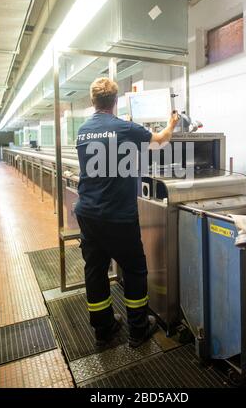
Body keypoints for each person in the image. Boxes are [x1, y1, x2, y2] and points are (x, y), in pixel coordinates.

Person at [75, 77, 179, 347]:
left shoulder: (83, 130)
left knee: (95, 271)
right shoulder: (125, 127)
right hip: (117, 216)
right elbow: (160, 142)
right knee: (134, 270)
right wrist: (172, 124)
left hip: (87, 212)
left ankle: (103, 330)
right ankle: (138, 330)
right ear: (116, 101)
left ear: (92, 101)